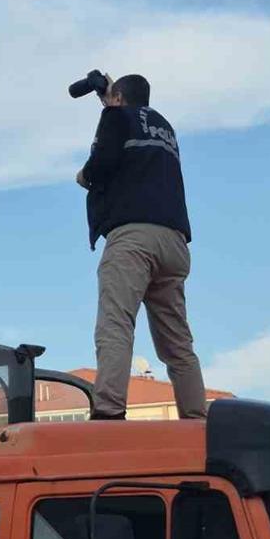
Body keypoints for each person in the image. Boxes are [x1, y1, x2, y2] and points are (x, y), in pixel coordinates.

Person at [75, 74, 206, 420]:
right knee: (178, 344)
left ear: (117, 97)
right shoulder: (164, 127)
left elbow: (102, 163)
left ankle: (108, 412)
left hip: (134, 237)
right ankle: (196, 418)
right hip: (174, 242)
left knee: (116, 324)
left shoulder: (116, 117)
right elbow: (133, 128)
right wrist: (111, 98)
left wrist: (84, 176)